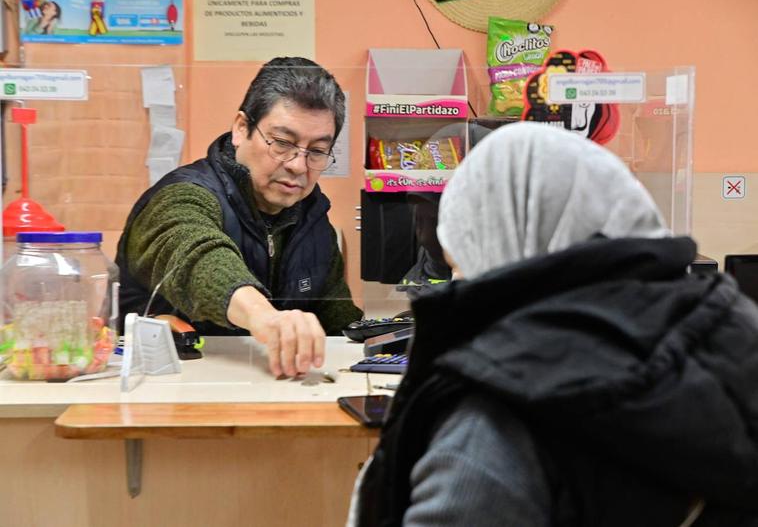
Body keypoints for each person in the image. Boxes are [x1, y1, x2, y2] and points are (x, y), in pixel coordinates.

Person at [349, 123, 758, 526]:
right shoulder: (736, 330)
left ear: (513, 249)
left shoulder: (493, 428)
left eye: (466, 265)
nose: (459, 285)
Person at [117, 57, 362, 378]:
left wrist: (387, 337)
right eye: (283, 143)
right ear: (241, 128)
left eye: (316, 150)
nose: (298, 166)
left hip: (274, 395)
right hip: (167, 397)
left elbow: (337, 320)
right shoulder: (181, 196)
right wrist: (266, 317)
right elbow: (198, 257)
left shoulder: (312, 218)